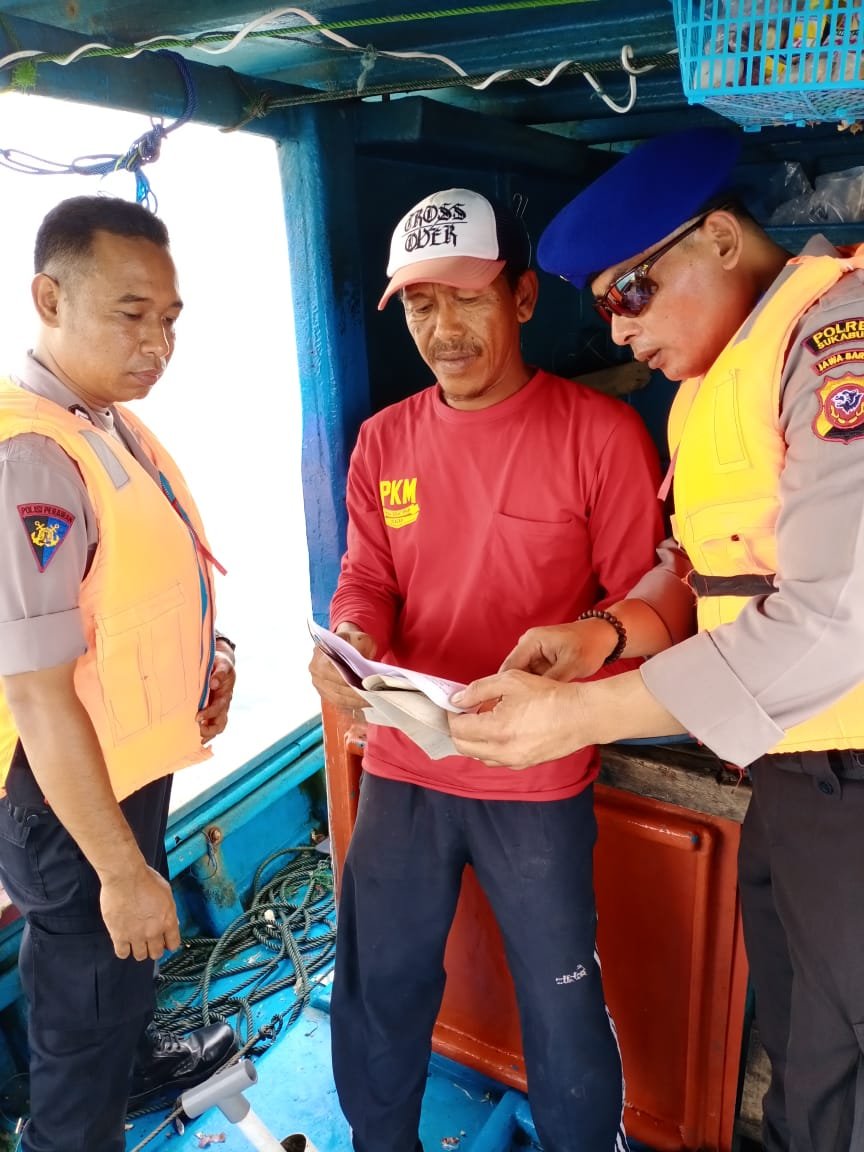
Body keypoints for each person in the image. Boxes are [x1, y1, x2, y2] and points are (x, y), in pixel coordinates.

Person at [449, 126, 864, 1152]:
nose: (621, 328)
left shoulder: (835, 342)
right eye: (604, 308)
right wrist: (601, 634)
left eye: (632, 291)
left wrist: (582, 716)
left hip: (850, 769)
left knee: (843, 1053)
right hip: (791, 770)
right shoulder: (711, 381)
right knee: (798, 1023)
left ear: (721, 238)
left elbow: (836, 614)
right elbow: (701, 563)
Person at [309, 186, 665, 1152]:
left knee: (563, 1000)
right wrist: (349, 635)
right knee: (379, 987)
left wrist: (584, 661)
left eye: (467, 297)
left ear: (522, 297)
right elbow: (368, 578)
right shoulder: (384, 439)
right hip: (405, 763)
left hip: (537, 776)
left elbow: (649, 606)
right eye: (421, 305)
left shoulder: (600, 434)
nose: (443, 329)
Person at [0, 195, 239, 1152]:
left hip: (122, 763)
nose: (158, 344)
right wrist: (117, 868)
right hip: (65, 794)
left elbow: (142, 578)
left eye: (170, 319)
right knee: (89, 995)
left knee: (120, 969)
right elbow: (34, 691)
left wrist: (211, 658)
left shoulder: (103, 420)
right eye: (132, 314)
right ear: (49, 299)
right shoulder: (32, 458)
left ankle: (134, 1062)